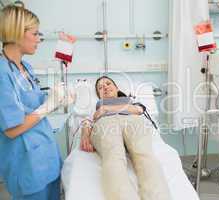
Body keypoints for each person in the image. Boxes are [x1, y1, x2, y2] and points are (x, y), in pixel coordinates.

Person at [0, 5, 73, 200]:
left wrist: (58, 99)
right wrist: (49, 105)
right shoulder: (2, 73)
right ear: (17, 33)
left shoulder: (25, 67)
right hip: (27, 165)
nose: (39, 39)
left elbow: (34, 102)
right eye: (35, 33)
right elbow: (11, 129)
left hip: (46, 156)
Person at [80, 76, 171, 200]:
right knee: (113, 156)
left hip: (132, 121)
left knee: (144, 155)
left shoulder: (130, 100)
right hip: (106, 123)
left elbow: (138, 110)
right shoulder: (96, 107)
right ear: (98, 95)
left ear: (116, 88)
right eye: (100, 88)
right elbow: (87, 121)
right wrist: (85, 133)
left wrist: (106, 108)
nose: (105, 87)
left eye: (108, 84)